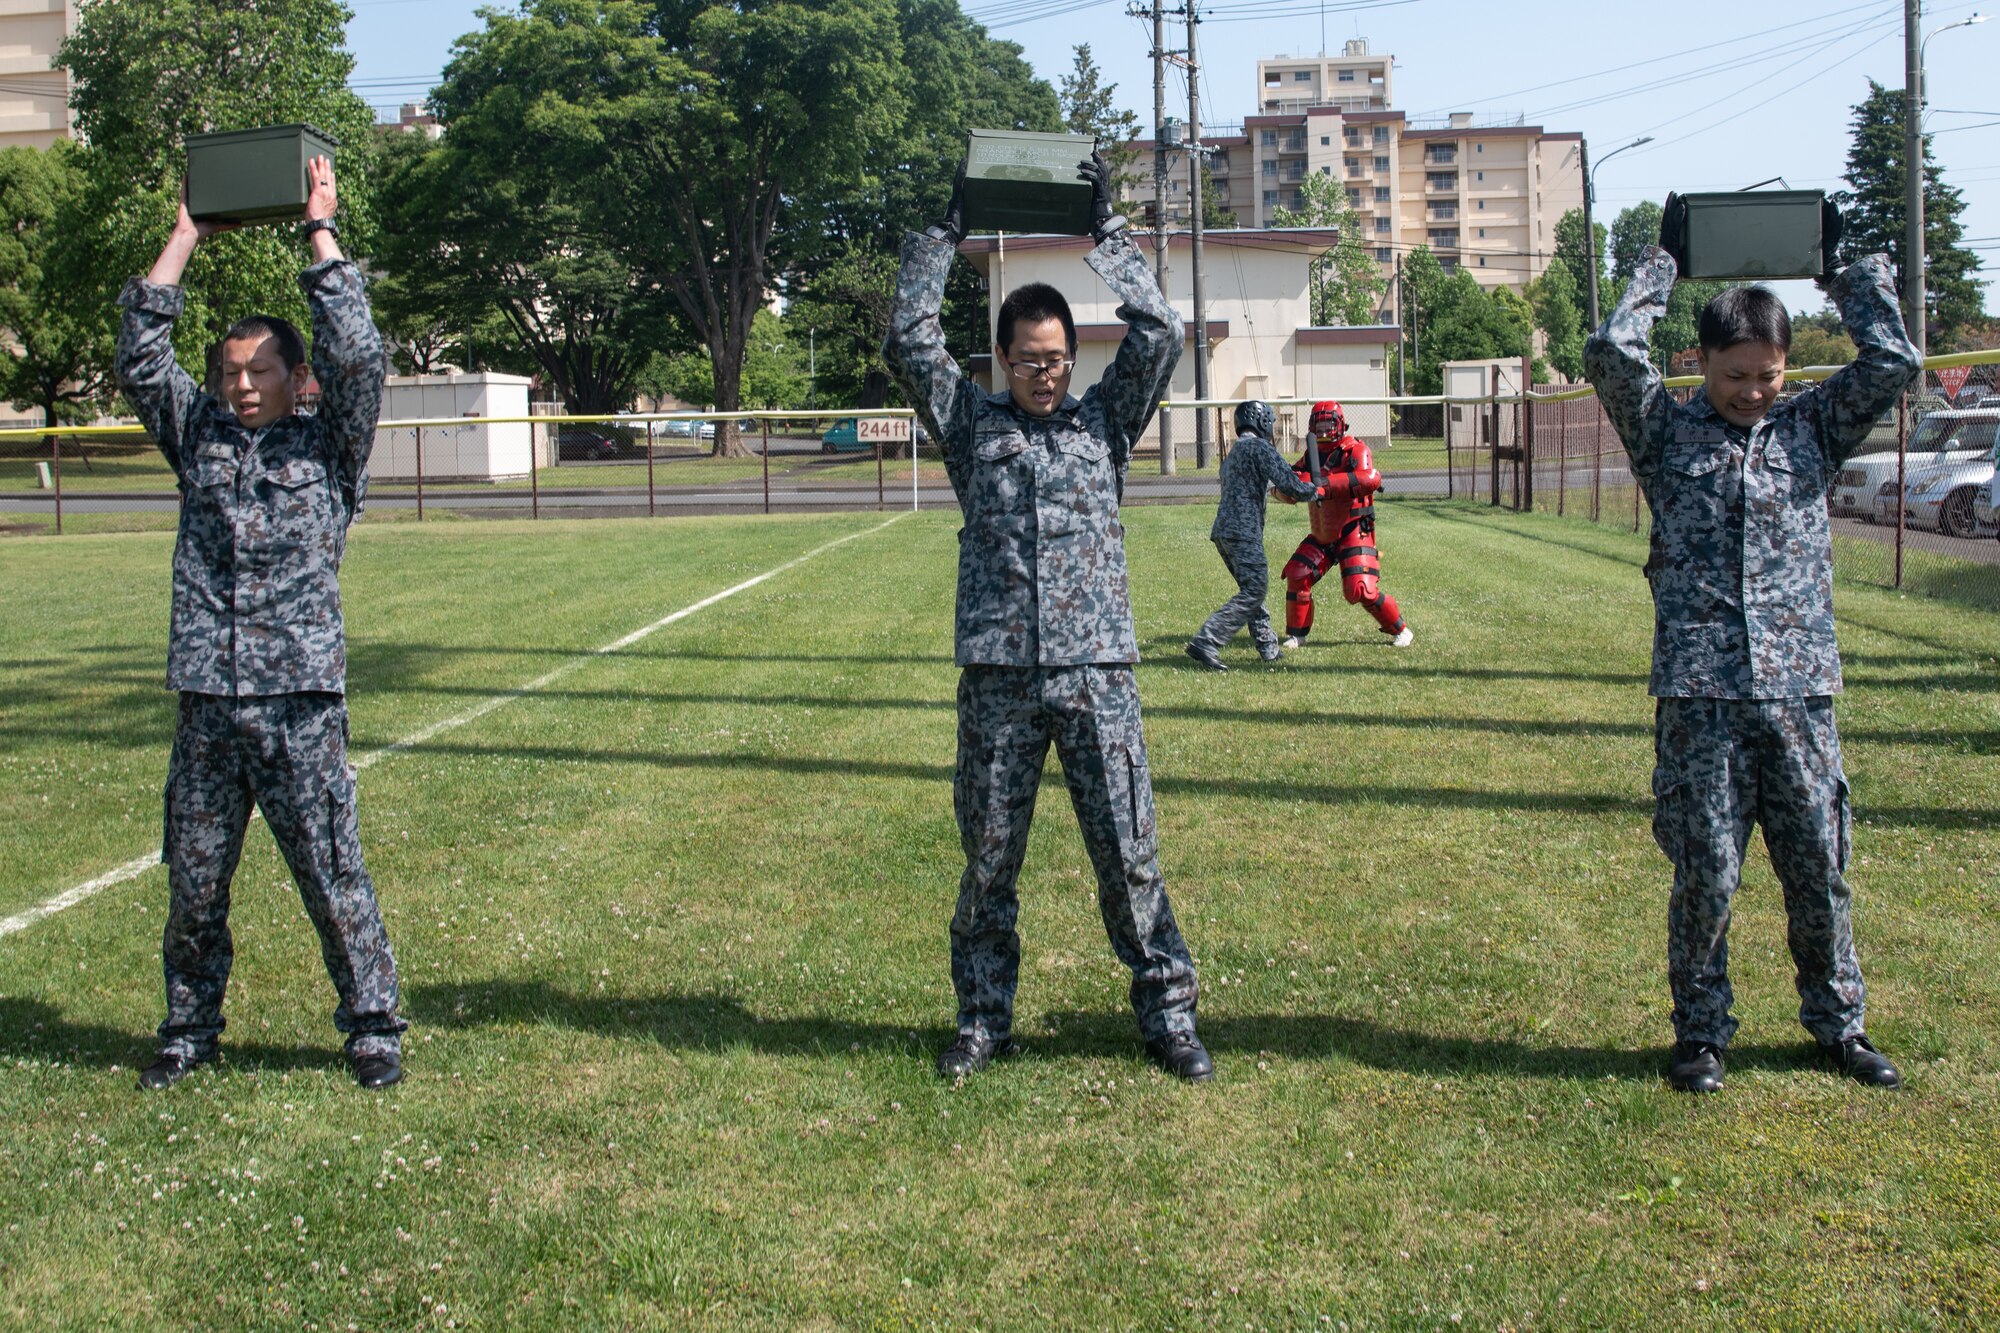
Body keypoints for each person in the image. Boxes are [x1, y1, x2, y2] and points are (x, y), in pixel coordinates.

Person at [882, 152, 1210, 1082]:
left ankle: (1169, 1012)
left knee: (1130, 853)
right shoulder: (969, 426)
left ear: (1074, 358)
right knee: (989, 862)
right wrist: (942, 232)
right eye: (1029, 360)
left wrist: (1106, 232)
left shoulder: (1101, 425)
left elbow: (1161, 329)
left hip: (1097, 673)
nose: (1045, 374)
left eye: (1058, 359)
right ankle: (983, 1019)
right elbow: (911, 340)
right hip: (998, 679)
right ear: (1002, 360)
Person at [1582, 195, 1919, 1094]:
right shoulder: (1666, 431)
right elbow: (1611, 353)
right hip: (1702, 698)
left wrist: (1843, 272)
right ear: (1701, 363)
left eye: (1768, 374)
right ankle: (1701, 1033)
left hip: (1800, 691)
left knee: (1818, 865)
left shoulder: (1812, 426)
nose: (1753, 391)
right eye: (1736, 375)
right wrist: (1665, 265)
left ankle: (1839, 1026)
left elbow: (1895, 358)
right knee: (1707, 874)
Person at [117, 156, 407, 1091]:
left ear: (295, 378)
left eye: (262, 370)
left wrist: (320, 232)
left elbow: (361, 354)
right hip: (207, 703)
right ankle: (190, 1029)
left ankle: (372, 1027)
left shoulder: (330, 446)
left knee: (331, 874)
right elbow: (137, 357)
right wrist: (186, 235)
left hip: (299, 701)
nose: (243, 386)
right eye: (231, 372)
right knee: (194, 886)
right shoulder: (196, 436)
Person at [1185, 400, 1321, 670]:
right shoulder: (1258, 447)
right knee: (1255, 591)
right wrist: (1314, 489)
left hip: (1224, 532)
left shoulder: (1234, 452)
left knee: (1251, 590)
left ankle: (1268, 648)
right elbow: (1289, 482)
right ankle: (1207, 641)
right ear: (1260, 421)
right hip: (1243, 532)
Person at [1279, 400, 1413, 649]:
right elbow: (1290, 481)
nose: (1323, 430)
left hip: (1353, 530)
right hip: (1322, 532)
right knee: (1298, 573)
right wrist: (1287, 489)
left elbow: (1370, 478)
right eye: (1319, 425)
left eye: (1329, 423)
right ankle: (1297, 635)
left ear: (1340, 424)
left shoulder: (1355, 450)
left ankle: (1401, 630)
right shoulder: (1311, 455)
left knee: (1361, 589)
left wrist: (1323, 486)